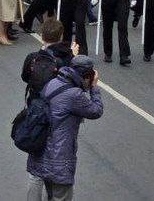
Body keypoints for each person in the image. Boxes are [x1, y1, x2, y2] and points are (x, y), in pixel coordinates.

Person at [25, 55, 103, 201]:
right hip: (60, 159)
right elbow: (96, 111)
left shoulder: (53, 82)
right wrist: (94, 89)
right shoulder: (74, 94)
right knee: (61, 196)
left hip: (41, 151)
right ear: (86, 77)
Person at [21, 17, 74, 101]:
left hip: (35, 102)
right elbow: (71, 81)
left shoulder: (32, 57)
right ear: (61, 37)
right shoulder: (65, 58)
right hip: (56, 102)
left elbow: (25, 77)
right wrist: (72, 55)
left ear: (42, 37)